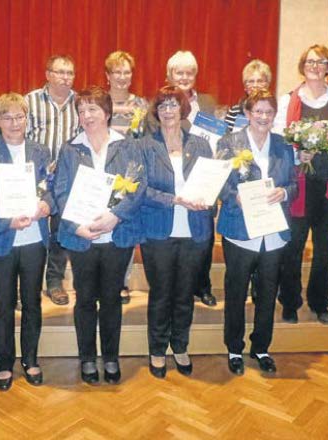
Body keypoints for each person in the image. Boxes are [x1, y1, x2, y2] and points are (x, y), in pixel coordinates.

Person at [53, 86, 146, 385]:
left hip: (116, 236)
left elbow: (138, 186)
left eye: (93, 109)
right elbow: (61, 192)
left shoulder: (128, 146)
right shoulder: (71, 149)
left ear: (107, 113)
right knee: (84, 300)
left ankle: (111, 356)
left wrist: (115, 216)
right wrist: (76, 225)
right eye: (82, 110)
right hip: (82, 238)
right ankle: (87, 358)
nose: (87, 115)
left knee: (111, 299)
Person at [0, 93, 53, 391]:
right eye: (7, 117)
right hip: (1, 237)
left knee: (32, 302)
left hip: (33, 239)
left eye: (19, 117)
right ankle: (4, 364)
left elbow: (51, 189)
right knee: (4, 304)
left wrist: (46, 205)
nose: (14, 123)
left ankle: (30, 359)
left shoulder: (40, 151)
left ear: (27, 120)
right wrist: (7, 222)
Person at [216, 90, 297, 376]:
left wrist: (284, 192)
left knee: (267, 293)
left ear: (274, 116)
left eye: (268, 112)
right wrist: (233, 196)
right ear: (247, 114)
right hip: (240, 231)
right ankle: (234, 347)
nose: (263, 117)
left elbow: (295, 184)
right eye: (258, 112)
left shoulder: (283, 145)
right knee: (236, 292)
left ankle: (261, 347)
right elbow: (219, 183)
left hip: (273, 233)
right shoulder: (229, 143)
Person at [274, 44, 328, 325]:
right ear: (302, 65)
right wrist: (298, 153)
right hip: (298, 185)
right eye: (310, 61)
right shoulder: (288, 100)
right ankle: (290, 301)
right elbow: (278, 141)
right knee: (293, 245)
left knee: (324, 247)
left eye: (321, 62)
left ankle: (320, 301)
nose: (315, 66)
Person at [140, 86, 213, 379]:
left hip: (194, 230)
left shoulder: (201, 145)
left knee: (184, 294)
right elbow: (140, 190)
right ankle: (157, 350)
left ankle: (180, 345)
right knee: (160, 294)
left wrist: (208, 196)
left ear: (183, 109)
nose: (168, 110)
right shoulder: (145, 145)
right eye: (163, 105)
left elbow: (212, 182)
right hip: (158, 230)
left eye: (173, 105)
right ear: (156, 112)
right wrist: (175, 199)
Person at [146, 50, 219, 308]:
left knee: (203, 237)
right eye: (180, 72)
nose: (185, 77)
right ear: (169, 75)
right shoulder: (157, 106)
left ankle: (203, 286)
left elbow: (219, 139)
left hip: (202, 181)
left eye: (190, 72)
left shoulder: (208, 103)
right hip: (170, 185)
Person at [26, 55, 80, 306]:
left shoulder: (81, 103)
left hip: (67, 179)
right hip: (33, 177)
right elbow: (18, 136)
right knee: (33, 230)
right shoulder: (30, 101)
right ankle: (28, 282)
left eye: (70, 73)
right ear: (48, 74)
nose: (65, 77)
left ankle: (55, 281)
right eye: (60, 72)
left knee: (59, 230)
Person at [104, 50, 149, 304]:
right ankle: (103, 281)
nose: (122, 77)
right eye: (117, 72)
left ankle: (121, 281)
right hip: (103, 174)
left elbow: (143, 141)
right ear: (107, 75)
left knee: (125, 227)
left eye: (126, 71)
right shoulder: (99, 101)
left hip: (129, 175)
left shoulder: (141, 104)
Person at [224, 60, 272, 133]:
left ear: (267, 85)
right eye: (251, 81)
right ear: (245, 87)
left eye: (260, 81)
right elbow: (225, 139)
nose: (255, 85)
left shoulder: (274, 111)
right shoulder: (234, 111)